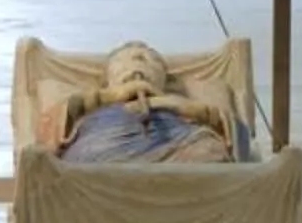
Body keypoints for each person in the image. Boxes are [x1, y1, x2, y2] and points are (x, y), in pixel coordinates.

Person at [44, 42, 239, 165]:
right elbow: (48, 135)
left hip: (179, 146)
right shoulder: (95, 100)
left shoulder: (183, 106)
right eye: (123, 60)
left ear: (164, 81)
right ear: (107, 79)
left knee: (210, 155)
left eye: (151, 61)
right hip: (103, 146)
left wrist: (181, 106)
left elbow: (239, 146)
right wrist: (108, 97)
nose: (138, 60)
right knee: (82, 166)